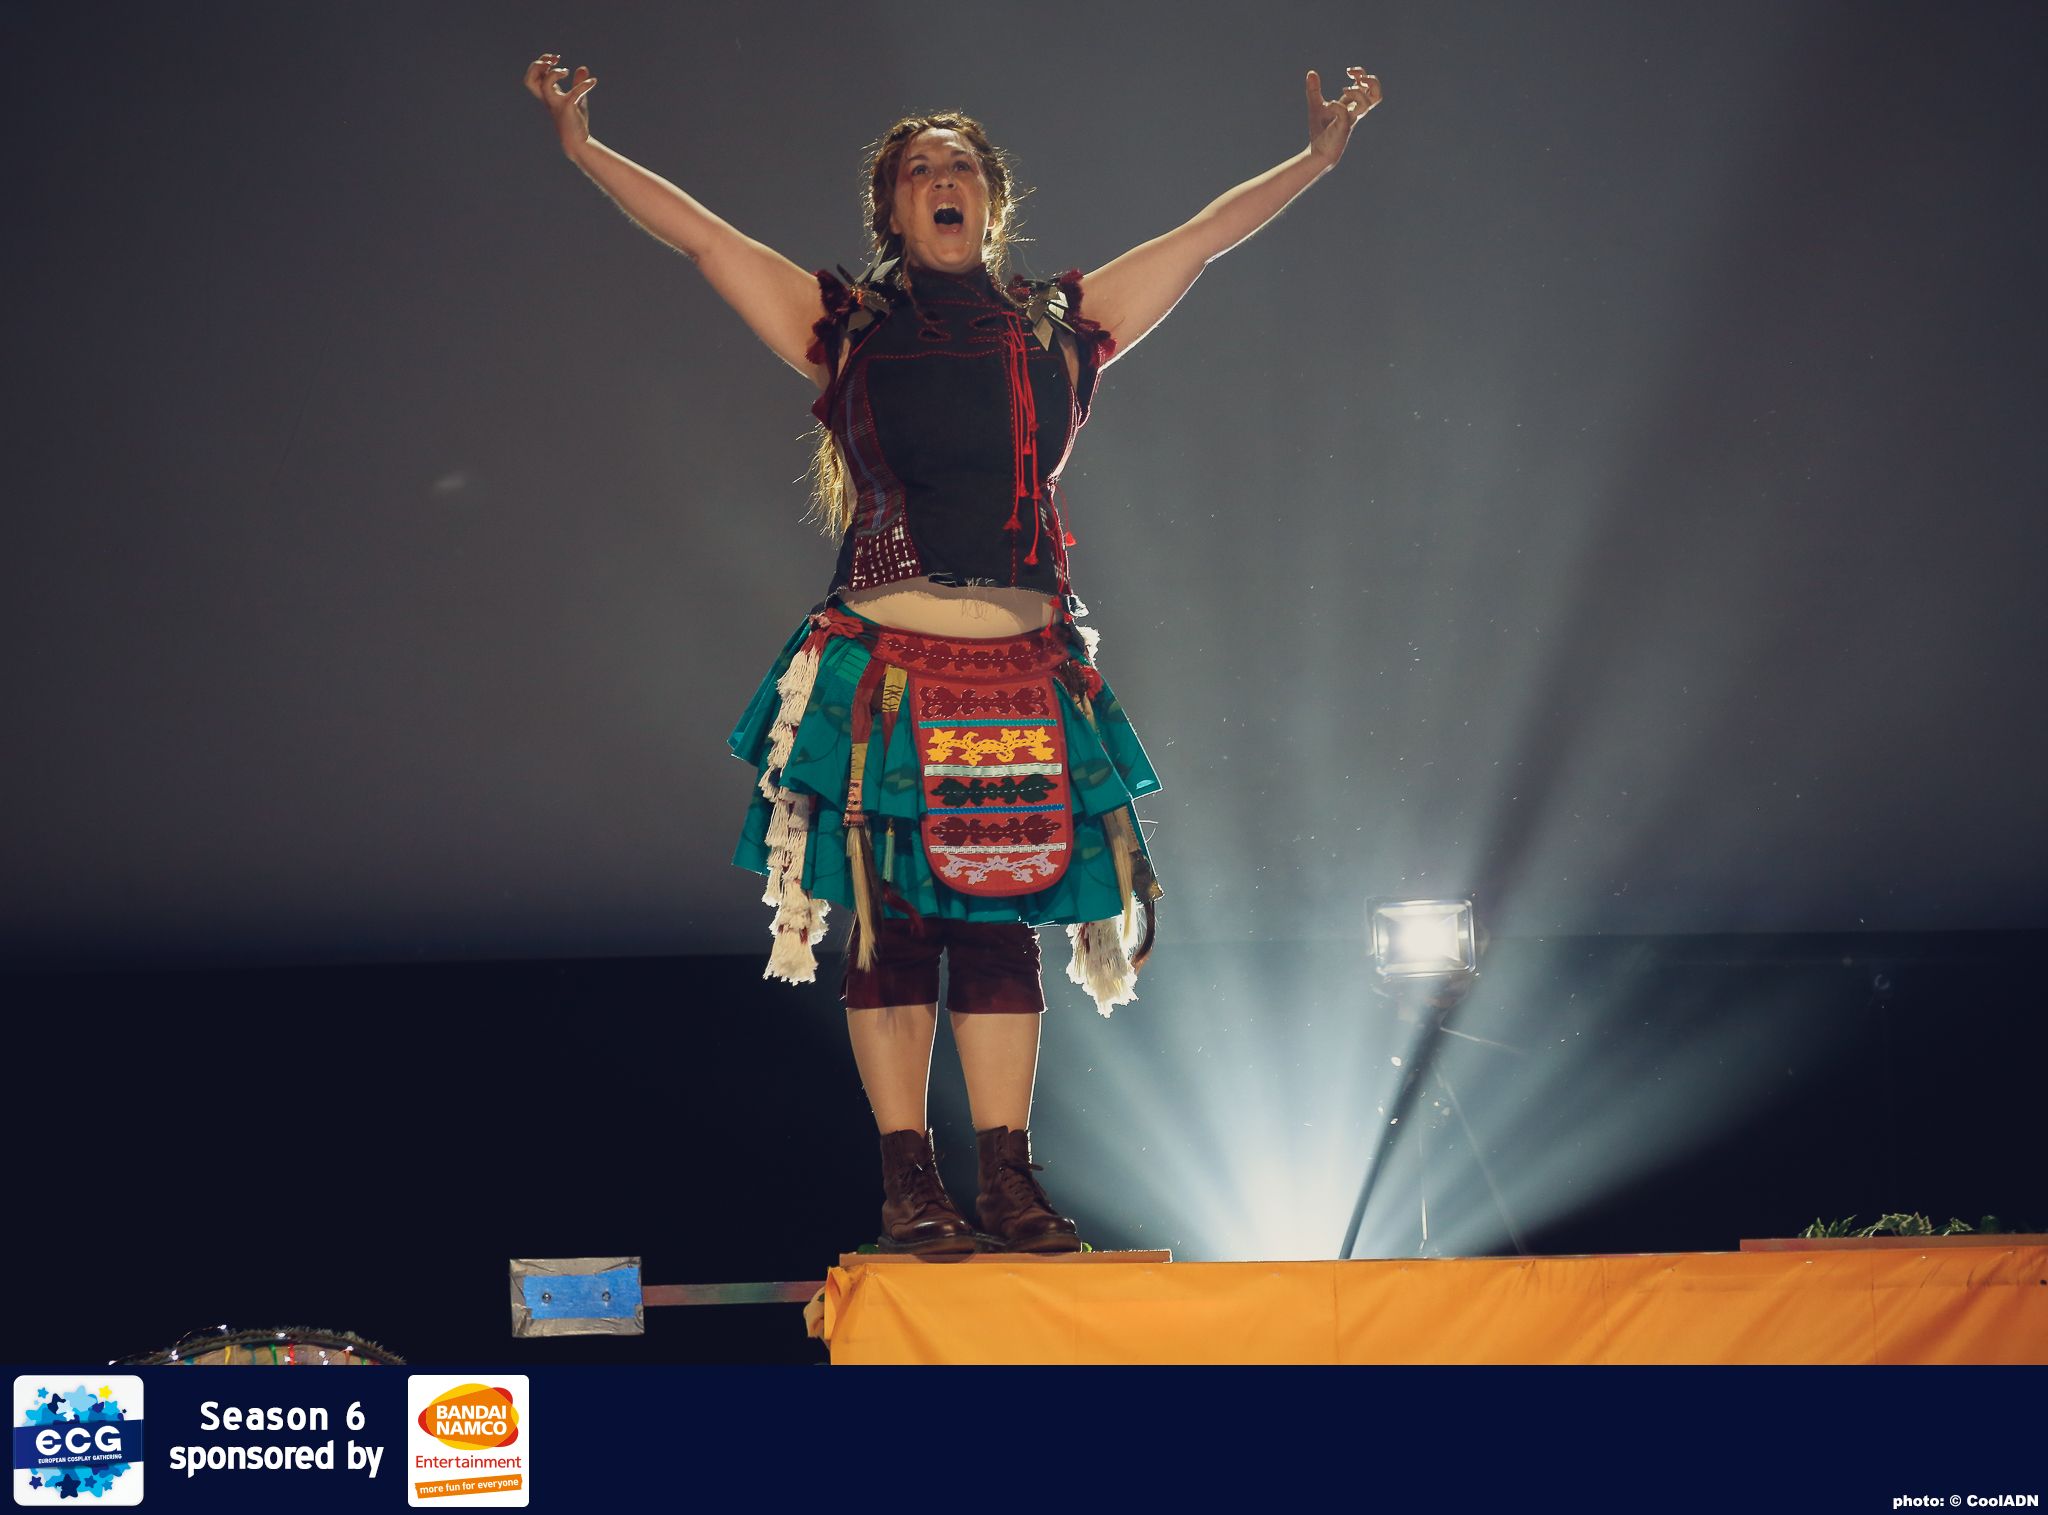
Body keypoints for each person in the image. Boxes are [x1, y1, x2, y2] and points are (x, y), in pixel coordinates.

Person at [524, 54, 1382, 1258]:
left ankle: (1009, 1184)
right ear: (892, 207)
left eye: (962, 167)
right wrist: (583, 148)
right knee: (890, 930)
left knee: (997, 928)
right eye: (920, 169)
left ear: (990, 200)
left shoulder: (1059, 331)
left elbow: (1197, 241)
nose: (943, 179)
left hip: (1024, 673)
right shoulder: (846, 329)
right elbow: (709, 242)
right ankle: (907, 1186)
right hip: (885, 672)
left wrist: (1314, 159)